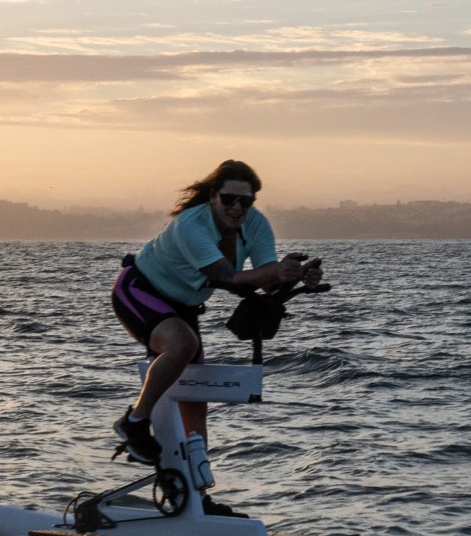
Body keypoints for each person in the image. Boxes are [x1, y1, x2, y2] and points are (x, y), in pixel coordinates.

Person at [109, 158, 320, 476]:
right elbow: (226, 277)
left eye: (245, 201)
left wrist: (296, 276)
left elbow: (266, 280)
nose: (237, 208)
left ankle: (195, 491)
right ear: (212, 197)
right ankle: (134, 422)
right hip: (139, 290)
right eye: (229, 199)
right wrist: (274, 273)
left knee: (195, 400)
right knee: (181, 344)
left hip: (182, 307)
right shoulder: (190, 224)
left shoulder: (257, 225)